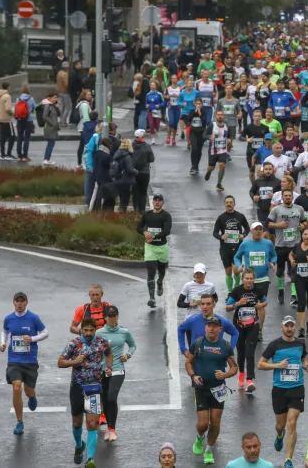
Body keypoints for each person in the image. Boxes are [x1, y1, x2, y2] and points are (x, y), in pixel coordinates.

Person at [259, 316, 308, 468]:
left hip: (297, 387)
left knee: (292, 423)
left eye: (292, 326)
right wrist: (277, 365)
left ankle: (288, 459)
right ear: (281, 327)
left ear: (294, 327)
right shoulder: (274, 345)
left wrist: (306, 366)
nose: (289, 328)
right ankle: (279, 435)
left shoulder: (300, 343)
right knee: (280, 425)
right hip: (279, 389)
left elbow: (303, 359)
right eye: (286, 326)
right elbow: (261, 364)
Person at [57, 317, 112, 468]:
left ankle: (90, 459)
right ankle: (79, 445)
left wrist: (109, 367)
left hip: (94, 387)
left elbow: (108, 354)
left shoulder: (102, 342)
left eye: (91, 330)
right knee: (76, 423)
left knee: (92, 423)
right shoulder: (74, 344)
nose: (88, 333)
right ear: (81, 329)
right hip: (77, 387)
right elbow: (60, 362)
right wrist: (74, 362)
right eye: (85, 330)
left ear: (95, 330)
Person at [185, 316, 239, 466]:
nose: (211, 328)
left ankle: (209, 450)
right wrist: (193, 376)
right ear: (205, 328)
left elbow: (234, 367)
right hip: (201, 388)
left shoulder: (225, 346)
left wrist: (225, 374)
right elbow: (188, 362)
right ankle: (199, 437)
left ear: (219, 329)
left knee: (215, 422)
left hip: (219, 389)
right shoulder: (198, 344)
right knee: (203, 424)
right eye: (209, 325)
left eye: (214, 326)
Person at [1, 291, 48, 435]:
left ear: (26, 302)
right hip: (14, 360)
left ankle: (32, 397)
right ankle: (20, 422)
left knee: (28, 390)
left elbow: (45, 332)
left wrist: (32, 339)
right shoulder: (9, 318)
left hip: (30, 360)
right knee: (16, 387)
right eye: (17, 301)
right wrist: (3, 343)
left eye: (22, 301)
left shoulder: (33, 318)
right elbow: (5, 332)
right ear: (13, 302)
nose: (20, 304)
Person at [94, 306, 136, 442]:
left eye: (115, 315)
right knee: (105, 399)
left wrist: (127, 355)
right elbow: (94, 349)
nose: (112, 318)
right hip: (102, 370)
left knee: (112, 397)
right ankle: (109, 429)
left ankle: (112, 429)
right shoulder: (99, 332)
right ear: (105, 318)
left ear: (118, 316)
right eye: (110, 316)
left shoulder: (124, 332)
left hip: (118, 370)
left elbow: (133, 345)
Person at [226, 269, 269, 392]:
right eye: (247, 278)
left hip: (253, 325)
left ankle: (250, 380)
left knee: (250, 353)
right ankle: (241, 372)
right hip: (239, 326)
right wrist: (237, 304)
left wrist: (261, 306)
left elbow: (265, 301)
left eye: (251, 279)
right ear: (243, 279)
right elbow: (227, 307)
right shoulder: (237, 291)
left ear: (253, 280)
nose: (249, 281)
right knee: (241, 352)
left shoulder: (257, 291)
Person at [233, 221, 279, 334]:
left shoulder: (268, 243)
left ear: (262, 231)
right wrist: (239, 266)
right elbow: (237, 257)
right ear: (252, 231)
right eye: (256, 229)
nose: (258, 231)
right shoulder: (245, 244)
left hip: (263, 279)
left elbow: (274, 255)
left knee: (259, 305)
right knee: (249, 304)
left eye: (260, 229)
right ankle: (248, 325)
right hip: (249, 280)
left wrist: (272, 262)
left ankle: (259, 330)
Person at [269, 189, 308, 305]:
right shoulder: (276, 209)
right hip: (281, 245)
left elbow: (305, 222)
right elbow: (268, 224)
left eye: (289, 196)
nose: (287, 197)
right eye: (285, 196)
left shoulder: (299, 209)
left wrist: (303, 226)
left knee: (293, 271)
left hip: (295, 245)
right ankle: (281, 291)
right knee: (280, 271)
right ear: (282, 197)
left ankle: (293, 294)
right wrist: (279, 225)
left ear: (292, 197)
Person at [178, 292, 240, 356]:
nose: (205, 307)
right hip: (197, 361)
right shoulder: (193, 320)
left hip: (216, 361)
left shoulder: (222, 321)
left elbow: (235, 333)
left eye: (208, 304)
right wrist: (184, 349)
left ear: (214, 305)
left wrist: (229, 350)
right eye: (202, 304)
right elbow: (180, 328)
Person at [138, 193, 172, 307]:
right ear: (152, 202)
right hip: (150, 247)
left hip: (162, 247)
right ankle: (152, 298)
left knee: (161, 270)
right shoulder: (147, 214)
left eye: (159, 200)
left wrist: (154, 236)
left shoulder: (166, 216)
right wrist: (144, 232)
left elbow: (167, 231)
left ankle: (160, 281)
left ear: (162, 202)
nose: (157, 202)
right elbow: (138, 227)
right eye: (155, 200)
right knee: (151, 272)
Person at [213, 195, 251, 291]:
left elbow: (247, 228)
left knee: (236, 270)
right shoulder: (221, 218)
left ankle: (237, 288)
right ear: (225, 204)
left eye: (231, 202)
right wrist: (221, 237)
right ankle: (230, 292)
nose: (229, 204)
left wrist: (243, 235)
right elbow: (215, 232)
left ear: (234, 204)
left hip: (237, 247)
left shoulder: (240, 216)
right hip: (225, 248)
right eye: (227, 203)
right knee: (229, 272)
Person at [0, 82, 15, 159]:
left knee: (2, 137)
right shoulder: (7, 96)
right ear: (8, 87)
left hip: (0, 119)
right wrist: (13, 114)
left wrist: (0, 113)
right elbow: (8, 109)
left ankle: (2, 154)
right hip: (7, 120)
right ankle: (9, 153)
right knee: (12, 136)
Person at [113, 138, 138, 211]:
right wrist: (136, 171)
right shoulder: (127, 156)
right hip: (126, 180)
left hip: (118, 179)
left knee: (121, 198)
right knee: (125, 199)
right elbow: (129, 169)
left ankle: (120, 212)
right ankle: (122, 213)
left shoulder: (116, 154)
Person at [40, 91, 62, 165]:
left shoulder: (53, 105)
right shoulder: (47, 106)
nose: (56, 99)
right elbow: (44, 116)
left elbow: (59, 114)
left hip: (53, 127)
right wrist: (52, 124)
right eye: (54, 97)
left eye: (56, 97)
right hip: (49, 127)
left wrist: (57, 107)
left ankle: (47, 159)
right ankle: (46, 159)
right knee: (51, 143)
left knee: (51, 143)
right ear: (50, 98)